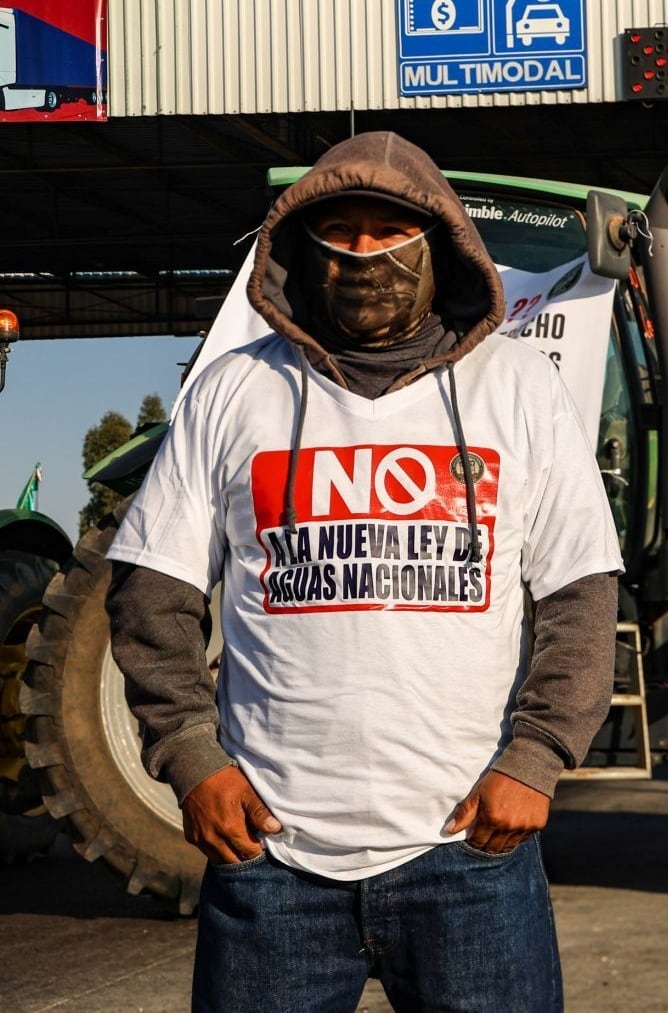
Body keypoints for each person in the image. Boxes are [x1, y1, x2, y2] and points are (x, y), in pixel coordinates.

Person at [106, 131, 621, 1011]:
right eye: (339, 231)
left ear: (441, 243)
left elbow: (579, 592)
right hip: (272, 860)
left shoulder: (517, 388)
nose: (362, 253)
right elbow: (152, 591)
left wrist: (535, 756)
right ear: (302, 248)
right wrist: (192, 755)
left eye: (388, 230)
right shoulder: (235, 391)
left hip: (468, 852)